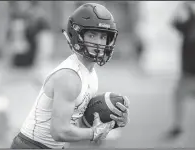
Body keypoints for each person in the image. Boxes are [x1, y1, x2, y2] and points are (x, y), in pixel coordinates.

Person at [10, 3, 130, 149]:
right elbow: (59, 131)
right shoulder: (70, 77)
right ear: (77, 36)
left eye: (103, 36)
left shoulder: (90, 75)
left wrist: (112, 122)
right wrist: (93, 133)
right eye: (92, 35)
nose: (99, 43)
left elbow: (78, 123)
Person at [166, 2, 195, 139]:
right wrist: (181, 7)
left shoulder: (190, 24)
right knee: (178, 96)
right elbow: (173, 22)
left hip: (189, 73)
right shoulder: (189, 24)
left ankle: (177, 127)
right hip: (188, 73)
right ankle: (177, 126)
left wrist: (183, 7)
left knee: (178, 96)